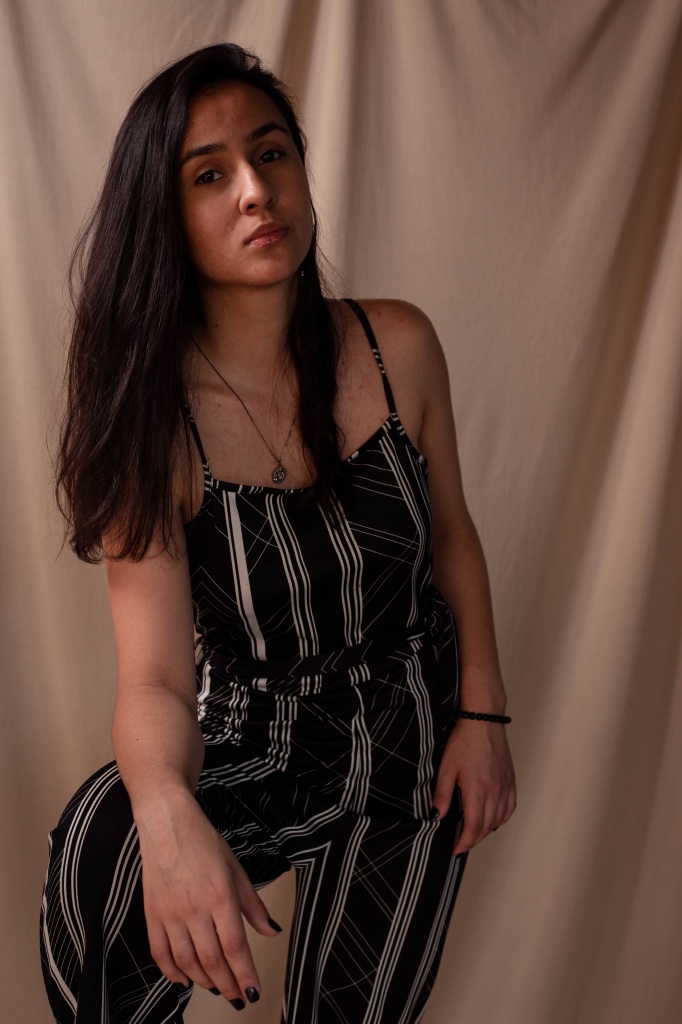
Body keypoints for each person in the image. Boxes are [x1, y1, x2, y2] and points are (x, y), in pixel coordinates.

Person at [39, 42, 516, 1024]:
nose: (256, 191)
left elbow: (453, 540)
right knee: (104, 839)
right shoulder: (152, 422)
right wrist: (168, 818)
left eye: (271, 154)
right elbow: (155, 679)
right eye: (209, 176)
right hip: (254, 733)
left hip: (411, 738)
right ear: (163, 215)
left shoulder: (398, 346)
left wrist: (483, 717)